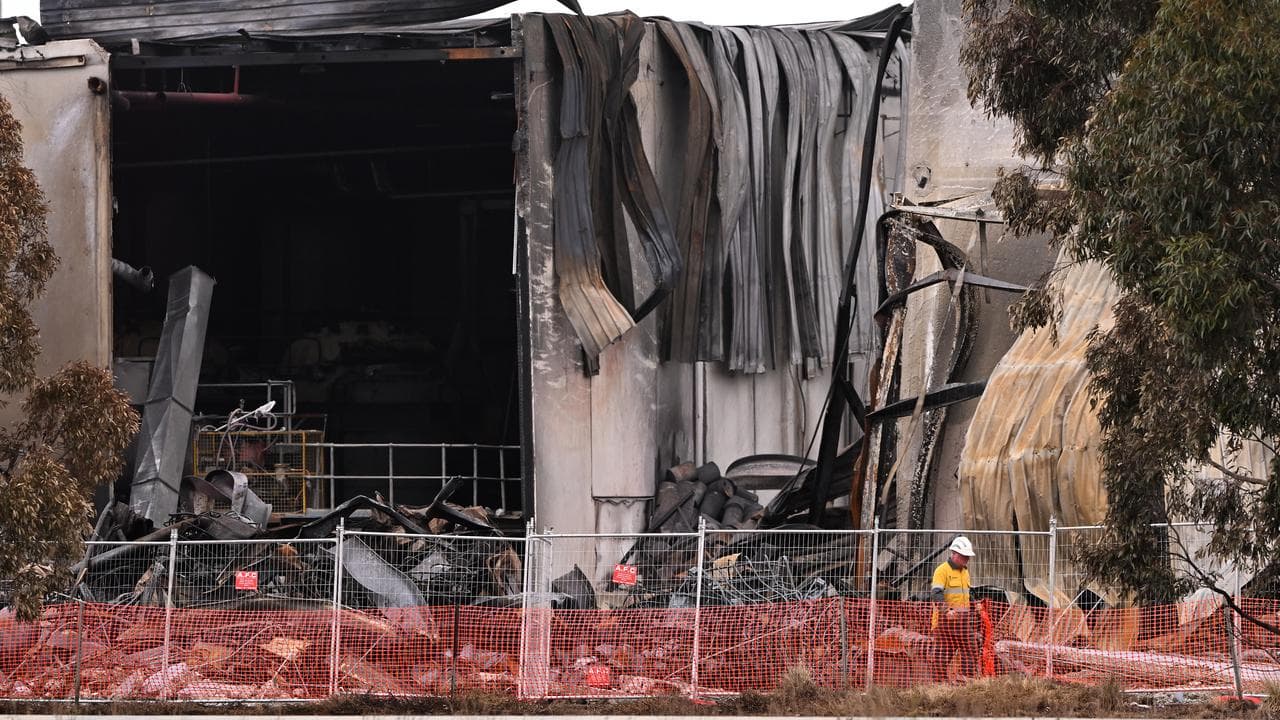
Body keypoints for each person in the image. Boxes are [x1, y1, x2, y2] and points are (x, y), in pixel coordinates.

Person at [931, 535, 977, 679]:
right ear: (955, 554)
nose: (967, 559)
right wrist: (947, 611)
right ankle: (939, 684)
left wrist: (976, 604)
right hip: (946, 622)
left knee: (970, 649)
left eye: (968, 557)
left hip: (963, 621)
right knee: (944, 654)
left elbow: (966, 593)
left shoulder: (965, 571)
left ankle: (965, 682)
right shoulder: (942, 571)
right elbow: (936, 593)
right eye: (964, 556)